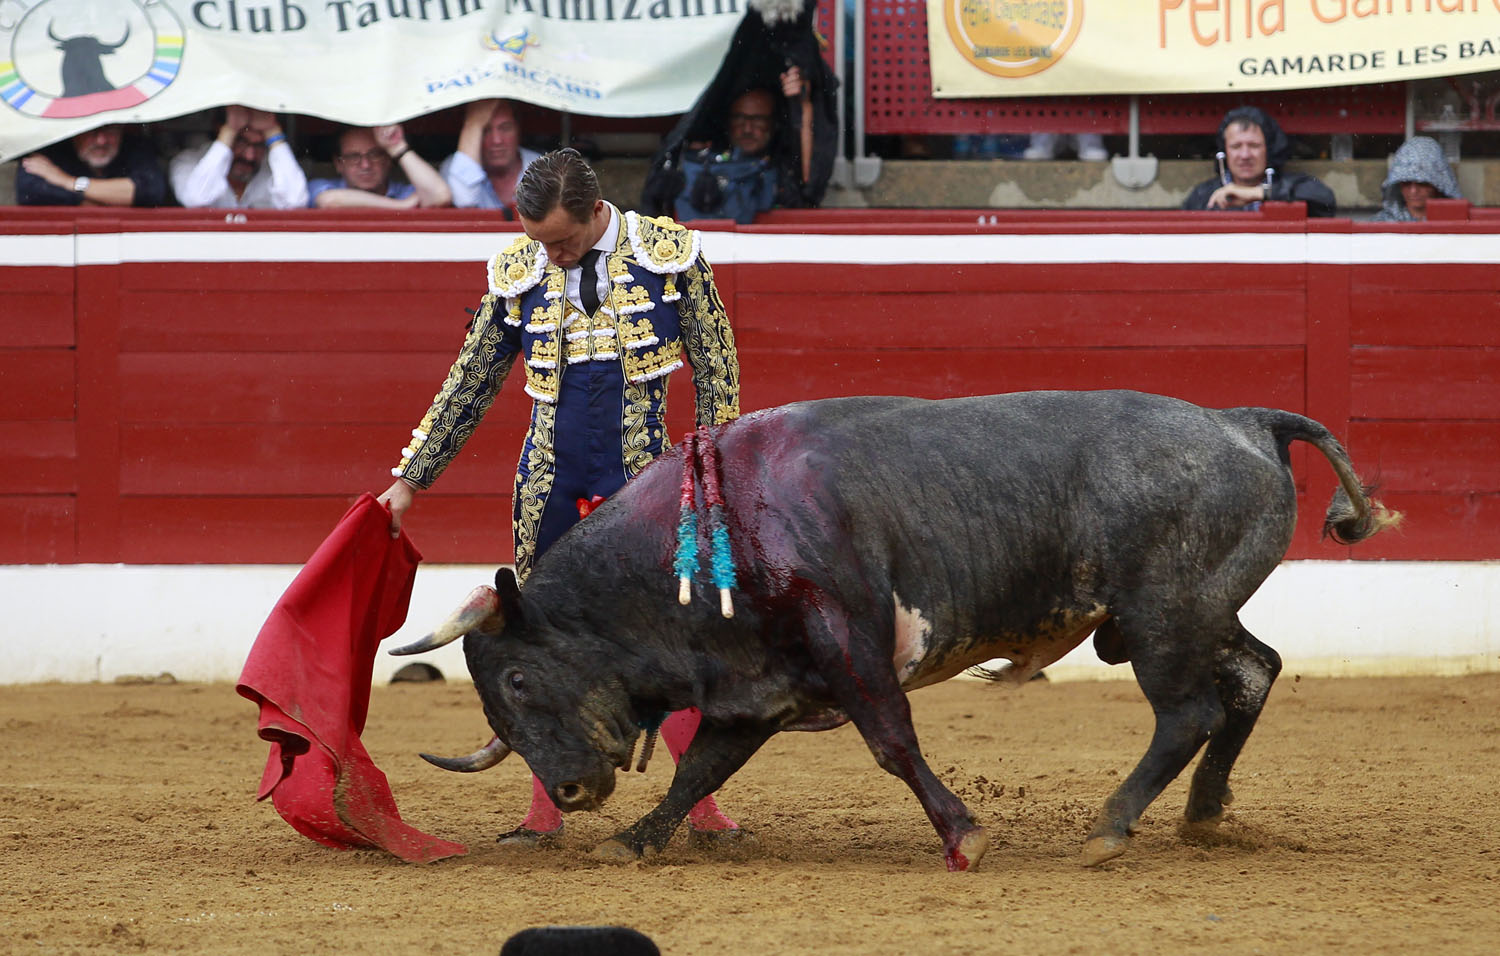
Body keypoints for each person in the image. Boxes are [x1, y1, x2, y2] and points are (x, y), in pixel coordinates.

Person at [377, 148, 743, 847]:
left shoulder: (669, 255)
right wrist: (410, 480)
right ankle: (543, 814)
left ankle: (703, 810)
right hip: (548, 479)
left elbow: (717, 367)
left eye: (563, 242)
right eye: (540, 242)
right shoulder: (520, 269)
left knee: (668, 636)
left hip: (642, 476)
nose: (551, 256)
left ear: (596, 213)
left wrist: (712, 470)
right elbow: (470, 381)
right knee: (535, 646)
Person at [673, 67, 814, 224]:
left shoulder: (784, 166)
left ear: (774, 123)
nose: (747, 129)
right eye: (739, 118)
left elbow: (807, 178)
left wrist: (804, 106)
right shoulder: (703, 163)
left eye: (758, 119)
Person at [1182, 105, 1335, 218]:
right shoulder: (1202, 196)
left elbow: (1325, 201)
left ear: (1269, 149)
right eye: (1236, 146)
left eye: (1254, 146)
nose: (1245, 155)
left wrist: (1262, 193)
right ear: (1224, 152)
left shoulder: (1294, 185)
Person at [170, 105, 309, 209]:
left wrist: (272, 131)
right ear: (221, 132)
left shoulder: (271, 168)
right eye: (241, 142)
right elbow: (196, 200)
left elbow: (295, 201)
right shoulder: (187, 161)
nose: (250, 156)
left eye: (259, 145)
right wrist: (231, 130)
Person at [15, 123, 167, 207]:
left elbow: (151, 191)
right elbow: (31, 193)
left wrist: (69, 182)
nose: (101, 141)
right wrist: (115, 198)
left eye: (110, 130)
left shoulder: (135, 147)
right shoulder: (50, 151)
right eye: (92, 131)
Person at [308, 124, 451, 209]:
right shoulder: (320, 186)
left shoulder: (404, 192)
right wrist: (402, 206)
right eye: (353, 157)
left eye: (375, 154)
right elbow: (330, 200)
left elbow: (440, 196)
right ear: (339, 164)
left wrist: (397, 147)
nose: (365, 165)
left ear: (388, 160)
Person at [440, 98, 541, 215]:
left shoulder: (540, 166)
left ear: (519, 130)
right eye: (485, 130)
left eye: (505, 128)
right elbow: (464, 200)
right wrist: (474, 124)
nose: (496, 140)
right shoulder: (454, 165)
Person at [1372, 136, 1462, 222]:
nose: (1413, 191)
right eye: (1406, 183)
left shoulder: (1457, 222)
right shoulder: (1378, 226)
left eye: (1422, 183)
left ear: (1438, 184)